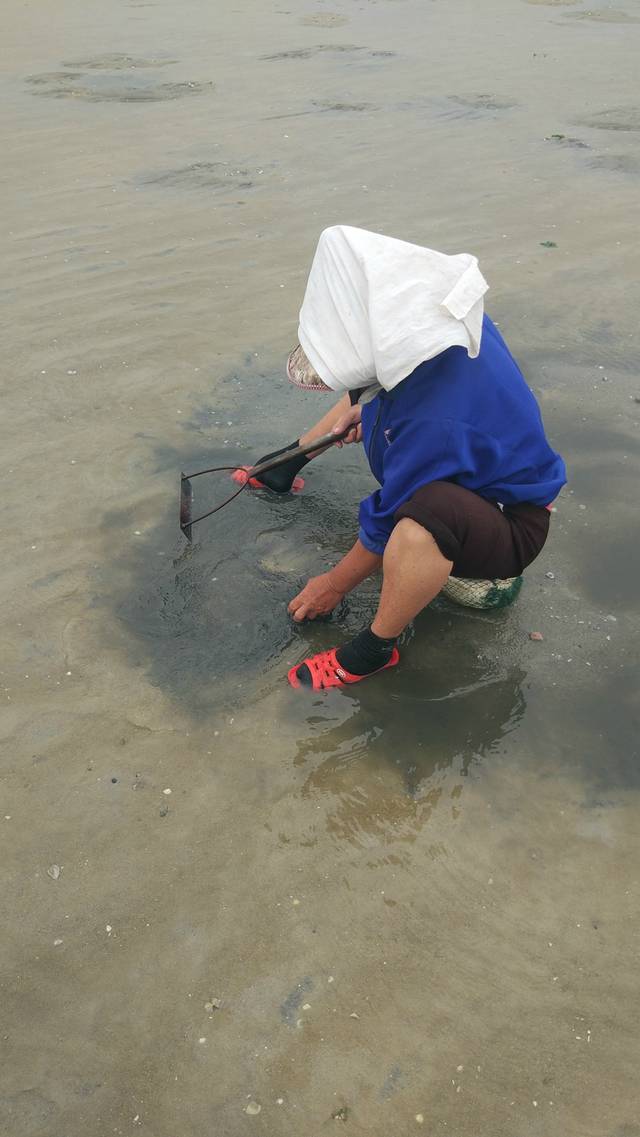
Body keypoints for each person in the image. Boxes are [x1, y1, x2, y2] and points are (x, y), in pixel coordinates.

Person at [254, 226, 567, 690]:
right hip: (469, 469)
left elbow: (387, 519)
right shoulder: (434, 323)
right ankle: (283, 466)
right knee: (370, 396)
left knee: (420, 520)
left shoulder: (434, 427)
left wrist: (333, 585)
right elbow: (377, 386)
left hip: (509, 523)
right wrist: (299, 452)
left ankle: (374, 650)